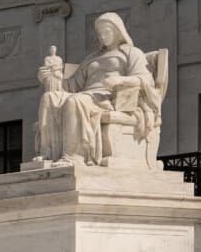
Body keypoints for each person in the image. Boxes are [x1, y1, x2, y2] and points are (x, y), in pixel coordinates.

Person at [35, 12, 160, 165]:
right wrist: (50, 77)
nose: (102, 37)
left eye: (106, 32)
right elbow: (73, 85)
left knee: (75, 101)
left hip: (110, 98)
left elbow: (146, 80)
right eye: (100, 34)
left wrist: (120, 80)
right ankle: (48, 153)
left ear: (117, 31)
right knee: (49, 98)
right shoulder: (91, 58)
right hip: (87, 95)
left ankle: (73, 156)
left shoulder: (132, 53)